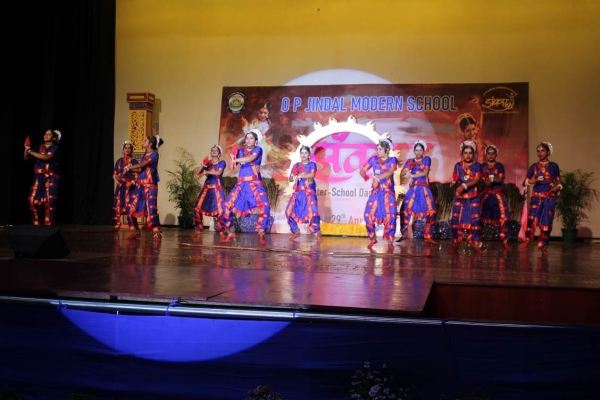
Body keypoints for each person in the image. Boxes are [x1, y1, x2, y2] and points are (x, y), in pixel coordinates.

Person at [220, 129, 271, 245]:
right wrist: (232, 156)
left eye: (251, 138)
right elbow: (232, 167)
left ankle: (261, 233)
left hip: (254, 183)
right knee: (226, 206)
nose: (248, 140)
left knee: (265, 206)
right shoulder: (241, 151)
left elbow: (250, 159)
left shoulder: (258, 149)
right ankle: (230, 231)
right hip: (241, 185)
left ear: (256, 141)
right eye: (247, 138)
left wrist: (236, 159)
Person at [519, 142, 562, 254]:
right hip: (536, 196)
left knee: (547, 221)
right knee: (531, 219)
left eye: (543, 150)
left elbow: (559, 183)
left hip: (549, 197)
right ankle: (528, 239)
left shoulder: (554, 166)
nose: (540, 153)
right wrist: (534, 180)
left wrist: (557, 188)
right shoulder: (534, 166)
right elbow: (524, 182)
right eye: (538, 151)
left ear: (548, 152)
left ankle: (544, 245)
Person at [360, 138, 398, 251]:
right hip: (376, 192)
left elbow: (389, 172)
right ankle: (372, 238)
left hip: (388, 192)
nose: (378, 151)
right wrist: (364, 175)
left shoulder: (393, 160)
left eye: (380, 149)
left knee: (391, 216)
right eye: (377, 149)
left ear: (387, 149)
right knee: (367, 214)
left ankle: (390, 241)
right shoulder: (373, 159)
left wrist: (377, 178)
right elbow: (363, 170)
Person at [397, 139, 438, 244]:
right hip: (413, 189)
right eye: (416, 150)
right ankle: (404, 233)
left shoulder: (427, 159)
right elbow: (402, 173)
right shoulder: (410, 161)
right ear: (414, 151)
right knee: (404, 209)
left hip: (423, 188)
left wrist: (412, 175)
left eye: (420, 150)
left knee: (431, 211)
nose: (418, 152)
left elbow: (424, 173)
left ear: (423, 151)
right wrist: (406, 172)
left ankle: (428, 235)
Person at [125, 135, 164, 241]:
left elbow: (143, 165)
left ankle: (157, 232)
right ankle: (136, 231)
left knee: (151, 210)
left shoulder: (155, 154)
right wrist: (129, 169)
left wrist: (130, 167)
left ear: (150, 144)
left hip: (150, 185)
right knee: (130, 207)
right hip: (141, 185)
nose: (143, 142)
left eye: (145, 140)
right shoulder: (144, 155)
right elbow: (140, 170)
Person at [449, 141, 483, 253]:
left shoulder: (477, 166)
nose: (468, 155)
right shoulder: (458, 166)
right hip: (460, 196)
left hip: (473, 195)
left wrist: (464, 186)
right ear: (462, 154)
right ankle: (456, 243)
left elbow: (476, 180)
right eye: (465, 153)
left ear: (474, 154)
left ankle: (476, 243)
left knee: (476, 219)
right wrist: (453, 184)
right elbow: (456, 179)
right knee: (455, 219)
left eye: (470, 153)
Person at [23, 129, 61, 226]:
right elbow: (26, 157)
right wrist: (26, 148)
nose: (45, 135)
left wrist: (30, 151)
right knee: (31, 200)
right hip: (38, 177)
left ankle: (49, 224)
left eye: (49, 134)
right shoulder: (39, 147)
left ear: (54, 138)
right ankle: (36, 224)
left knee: (50, 201)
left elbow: (46, 157)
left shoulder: (55, 148)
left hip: (50, 176)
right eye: (45, 134)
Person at [285, 145, 322, 242]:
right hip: (298, 193)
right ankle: (295, 231)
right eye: (302, 153)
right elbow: (291, 178)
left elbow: (312, 174)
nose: (303, 155)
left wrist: (301, 175)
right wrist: (293, 176)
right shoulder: (296, 165)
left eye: (306, 153)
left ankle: (317, 233)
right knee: (288, 211)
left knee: (314, 212)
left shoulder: (312, 164)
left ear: (309, 154)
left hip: (309, 192)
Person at [480, 144, 511, 249]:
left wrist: (492, 180)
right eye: (489, 153)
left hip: (497, 194)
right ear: (486, 155)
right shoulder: (482, 166)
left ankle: (504, 239)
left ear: (496, 155)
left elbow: (501, 179)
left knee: (504, 215)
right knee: (478, 215)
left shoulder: (499, 166)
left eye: (493, 153)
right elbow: (478, 179)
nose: (491, 155)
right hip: (485, 194)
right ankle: (478, 240)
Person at [192, 144, 226, 237]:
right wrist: (202, 165)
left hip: (217, 188)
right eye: (212, 150)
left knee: (220, 210)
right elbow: (197, 173)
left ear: (219, 153)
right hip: (207, 188)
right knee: (197, 207)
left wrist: (206, 171)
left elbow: (218, 172)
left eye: (216, 150)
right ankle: (198, 228)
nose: (213, 151)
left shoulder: (222, 162)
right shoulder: (208, 163)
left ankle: (221, 230)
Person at [111, 141, 139, 232]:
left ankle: (134, 227)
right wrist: (116, 177)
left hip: (130, 187)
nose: (127, 150)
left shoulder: (134, 162)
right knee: (118, 206)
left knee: (130, 207)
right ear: (123, 150)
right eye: (125, 148)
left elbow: (138, 175)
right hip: (121, 187)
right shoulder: (119, 161)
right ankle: (116, 225)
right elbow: (115, 173)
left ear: (132, 150)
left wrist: (132, 182)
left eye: (129, 148)